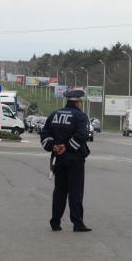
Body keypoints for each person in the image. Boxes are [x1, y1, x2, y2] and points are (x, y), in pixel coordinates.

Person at [40, 90, 92, 232]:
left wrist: (53, 146)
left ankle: (55, 222)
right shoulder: (80, 116)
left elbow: (44, 134)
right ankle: (77, 223)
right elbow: (82, 135)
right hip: (74, 159)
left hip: (58, 159)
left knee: (59, 191)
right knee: (75, 191)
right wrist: (67, 147)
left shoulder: (54, 114)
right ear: (78, 101)